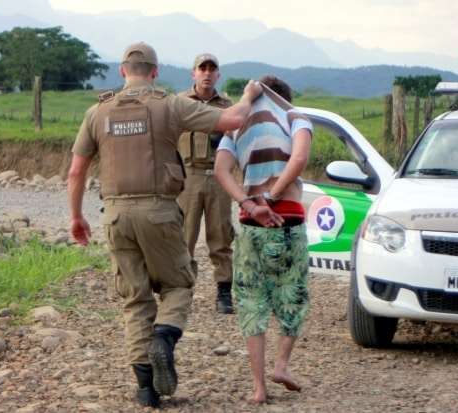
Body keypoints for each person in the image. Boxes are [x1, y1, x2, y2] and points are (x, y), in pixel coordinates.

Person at [67, 42, 263, 408]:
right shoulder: (170, 104)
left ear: (122, 71)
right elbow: (233, 119)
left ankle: (145, 389)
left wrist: (76, 217)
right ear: (155, 72)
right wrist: (250, 94)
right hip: (159, 211)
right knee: (179, 282)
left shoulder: (97, 112)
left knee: (135, 297)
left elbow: (76, 171)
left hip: (114, 215)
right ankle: (164, 339)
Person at [214, 76, 313, 404]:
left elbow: (221, 171)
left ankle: (259, 387)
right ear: (286, 98)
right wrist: (271, 197)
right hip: (289, 218)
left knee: (251, 302)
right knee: (293, 293)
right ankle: (282, 365)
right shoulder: (295, 117)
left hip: (251, 224)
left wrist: (249, 203)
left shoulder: (237, 127)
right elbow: (298, 160)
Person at [177, 53, 235, 314]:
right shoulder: (178, 103)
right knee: (183, 238)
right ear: (194, 73)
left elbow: (238, 142)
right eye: (202, 68)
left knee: (220, 235)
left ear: (218, 75)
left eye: (212, 69)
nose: (207, 73)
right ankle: (181, 292)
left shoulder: (227, 106)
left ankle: (223, 292)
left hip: (218, 176)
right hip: (187, 176)